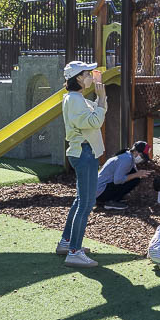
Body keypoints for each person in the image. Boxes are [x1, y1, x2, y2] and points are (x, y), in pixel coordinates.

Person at [56, 61, 107, 268]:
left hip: (84, 153)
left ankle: (67, 243)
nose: (90, 76)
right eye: (87, 73)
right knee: (86, 204)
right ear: (78, 78)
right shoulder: (75, 100)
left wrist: (100, 98)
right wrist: (101, 98)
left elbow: (96, 114)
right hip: (84, 154)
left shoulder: (75, 98)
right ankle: (74, 252)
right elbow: (95, 121)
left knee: (80, 201)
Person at [95, 140, 153, 210]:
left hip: (98, 191)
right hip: (100, 192)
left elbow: (133, 171)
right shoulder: (127, 160)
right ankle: (111, 201)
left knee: (134, 176)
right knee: (135, 179)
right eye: (142, 156)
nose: (142, 159)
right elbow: (117, 180)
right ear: (135, 152)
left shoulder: (128, 156)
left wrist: (138, 173)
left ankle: (112, 199)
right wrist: (136, 174)